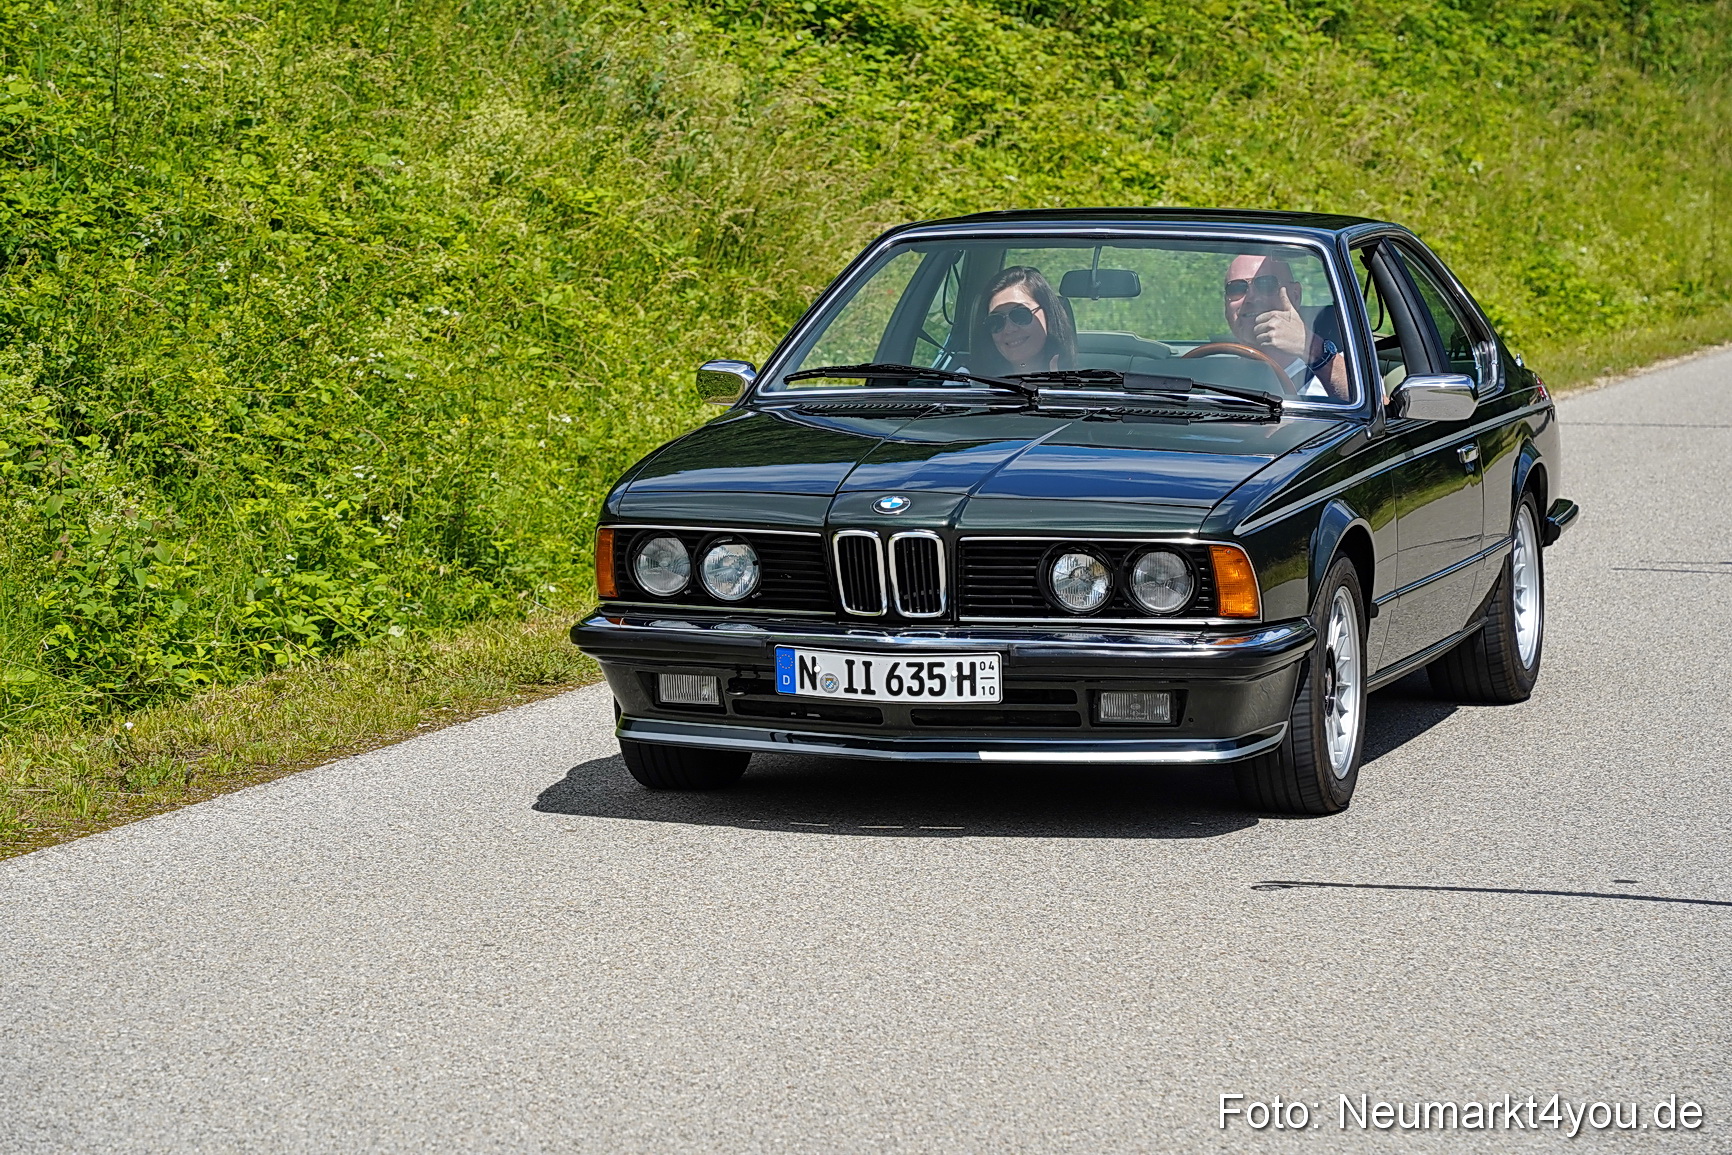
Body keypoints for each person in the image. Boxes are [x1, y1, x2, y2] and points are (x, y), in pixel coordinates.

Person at [1221, 254, 1350, 401]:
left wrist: (1312, 350)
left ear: (1295, 295)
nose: (1252, 297)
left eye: (1266, 284)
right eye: (1237, 288)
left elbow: (1379, 410)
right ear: (1226, 305)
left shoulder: (1344, 368)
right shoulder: (1214, 373)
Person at [971, 266, 1077, 376]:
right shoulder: (963, 384)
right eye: (995, 321)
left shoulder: (1085, 388)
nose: (1009, 329)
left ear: (1048, 314)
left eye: (1020, 315)